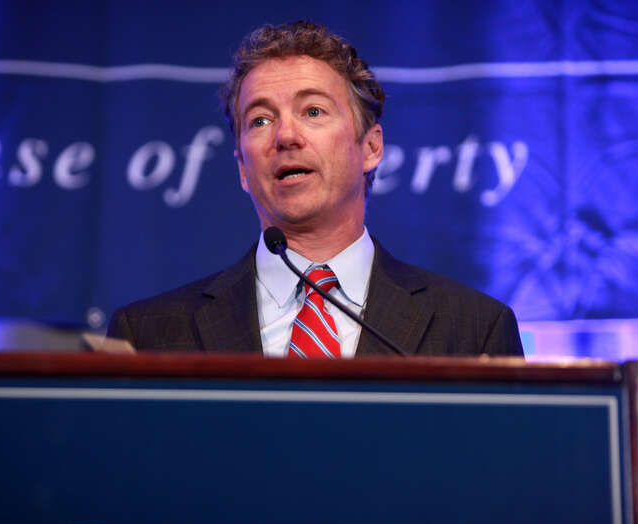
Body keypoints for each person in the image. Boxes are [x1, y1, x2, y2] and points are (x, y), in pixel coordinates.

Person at [107, 21, 523, 358]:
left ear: (371, 147)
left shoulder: (473, 332)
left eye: (313, 111)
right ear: (242, 170)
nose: (285, 135)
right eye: (260, 120)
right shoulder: (149, 336)